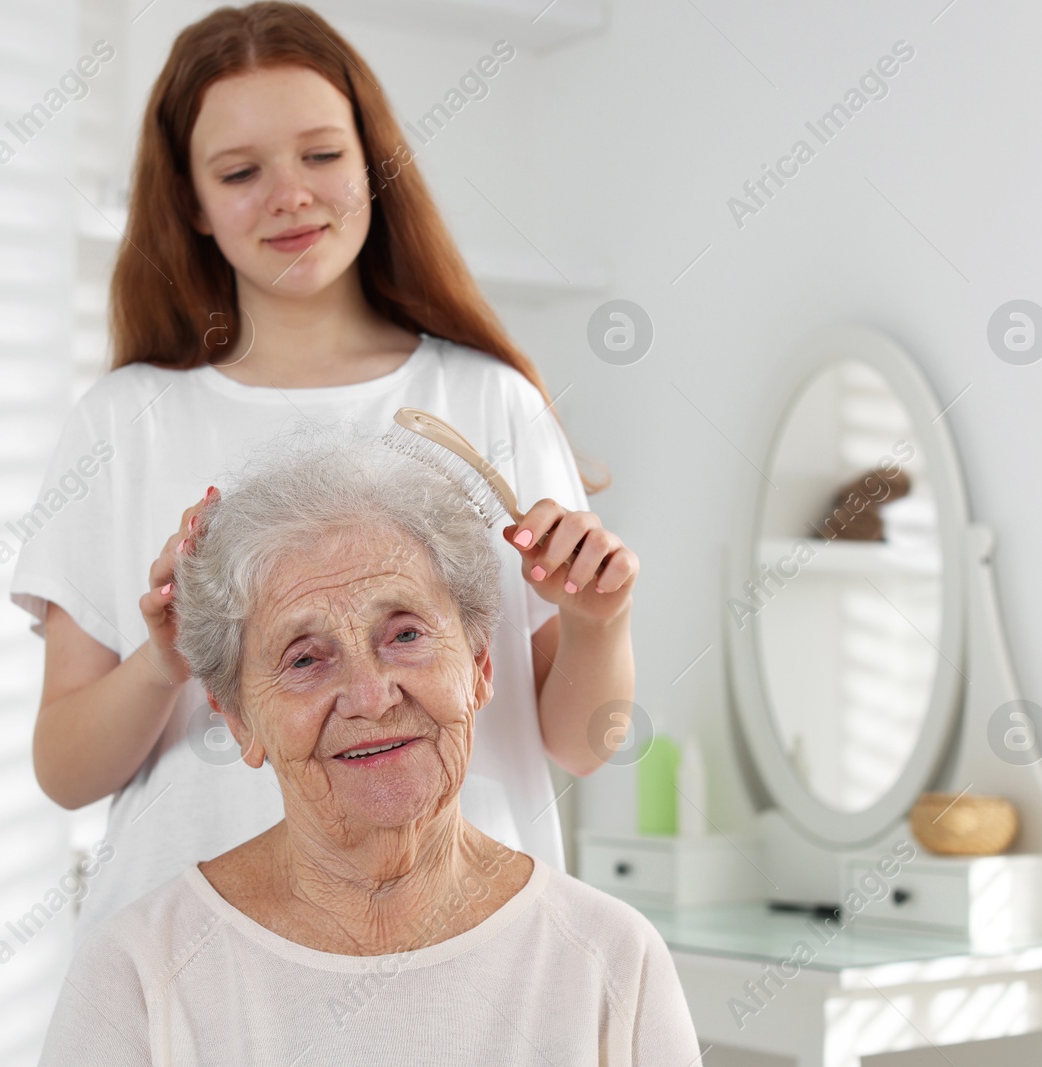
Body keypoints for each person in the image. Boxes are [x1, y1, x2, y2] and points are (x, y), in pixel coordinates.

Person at [10, 0, 639, 944]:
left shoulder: (488, 403)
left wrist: (600, 624)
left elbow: (584, 745)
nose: (290, 196)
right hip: (195, 960)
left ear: (372, 161)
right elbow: (64, 771)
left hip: (464, 950)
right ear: (190, 201)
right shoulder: (125, 421)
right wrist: (165, 662)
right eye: (239, 171)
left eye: (321, 155)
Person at [37, 430, 693, 1065]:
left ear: (481, 665)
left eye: (404, 635)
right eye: (304, 659)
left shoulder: (610, 960)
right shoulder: (139, 974)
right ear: (240, 719)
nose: (370, 695)